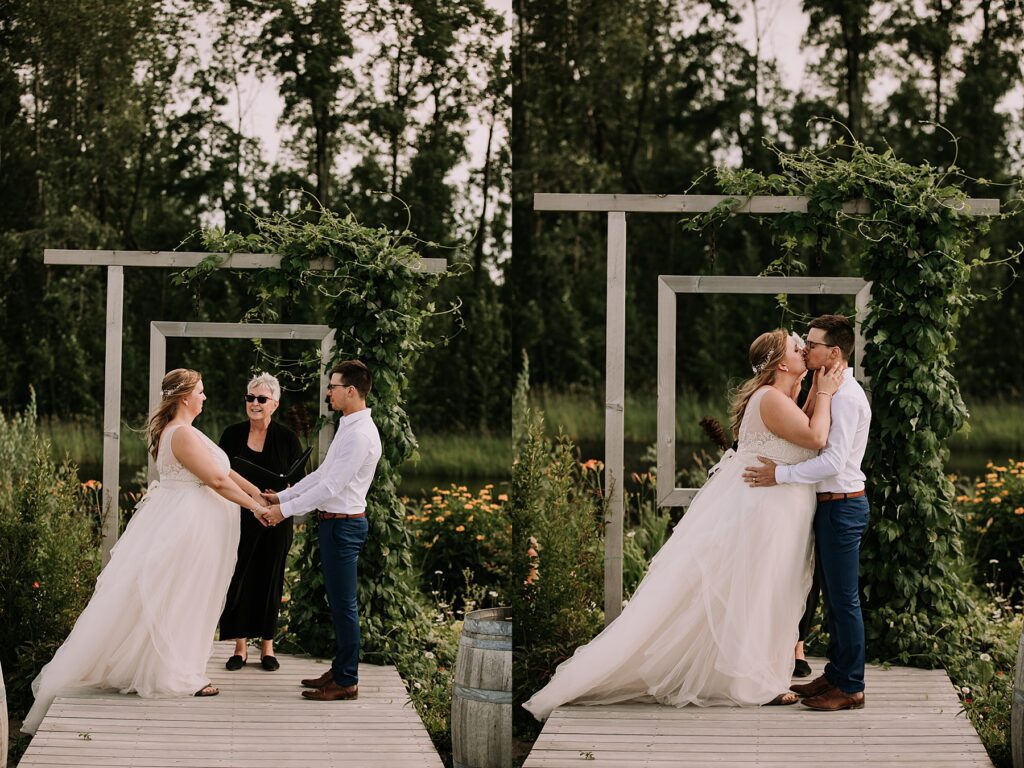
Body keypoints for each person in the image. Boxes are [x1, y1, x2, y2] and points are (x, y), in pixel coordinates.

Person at [522, 330, 843, 720]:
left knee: (772, 589)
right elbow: (815, 437)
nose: (804, 351)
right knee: (758, 590)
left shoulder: (783, 396)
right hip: (765, 511)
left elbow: (802, 431)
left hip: (781, 508)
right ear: (780, 363)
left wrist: (814, 391)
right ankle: (752, 683)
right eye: (797, 349)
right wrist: (824, 393)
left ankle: (765, 672)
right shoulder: (771, 398)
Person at [21, 369, 273, 735]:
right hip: (186, 527)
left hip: (192, 523)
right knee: (179, 597)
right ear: (185, 396)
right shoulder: (182, 434)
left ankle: (177, 663)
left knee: (185, 596)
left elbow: (227, 470)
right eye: (201, 392)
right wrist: (257, 510)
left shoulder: (185, 430)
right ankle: (175, 673)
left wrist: (259, 493)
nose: (205, 397)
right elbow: (216, 481)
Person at [743, 314, 871, 711]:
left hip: (842, 507)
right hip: (830, 507)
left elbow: (830, 461)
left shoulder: (846, 398)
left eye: (812, 344)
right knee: (834, 598)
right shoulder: (826, 388)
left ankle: (850, 686)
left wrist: (780, 474)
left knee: (845, 600)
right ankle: (835, 675)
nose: (805, 347)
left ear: (834, 352)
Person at [261, 360, 381, 701]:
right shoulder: (348, 425)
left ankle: (346, 681)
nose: (329, 392)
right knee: (339, 603)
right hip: (334, 527)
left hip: (344, 528)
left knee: (344, 606)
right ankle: (340, 670)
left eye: (334, 386)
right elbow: (322, 474)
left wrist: (281, 511)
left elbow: (330, 487)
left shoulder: (360, 435)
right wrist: (282, 495)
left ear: (352, 391)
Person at [219, 372, 306, 673]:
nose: (254, 404)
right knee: (238, 577)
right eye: (250, 398)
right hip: (238, 516)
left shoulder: (288, 439)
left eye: (261, 399)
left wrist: (280, 497)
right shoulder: (231, 434)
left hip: (276, 519)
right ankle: (240, 647)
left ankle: (268, 646)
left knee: (270, 578)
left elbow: (302, 483)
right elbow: (219, 473)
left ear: (275, 404)